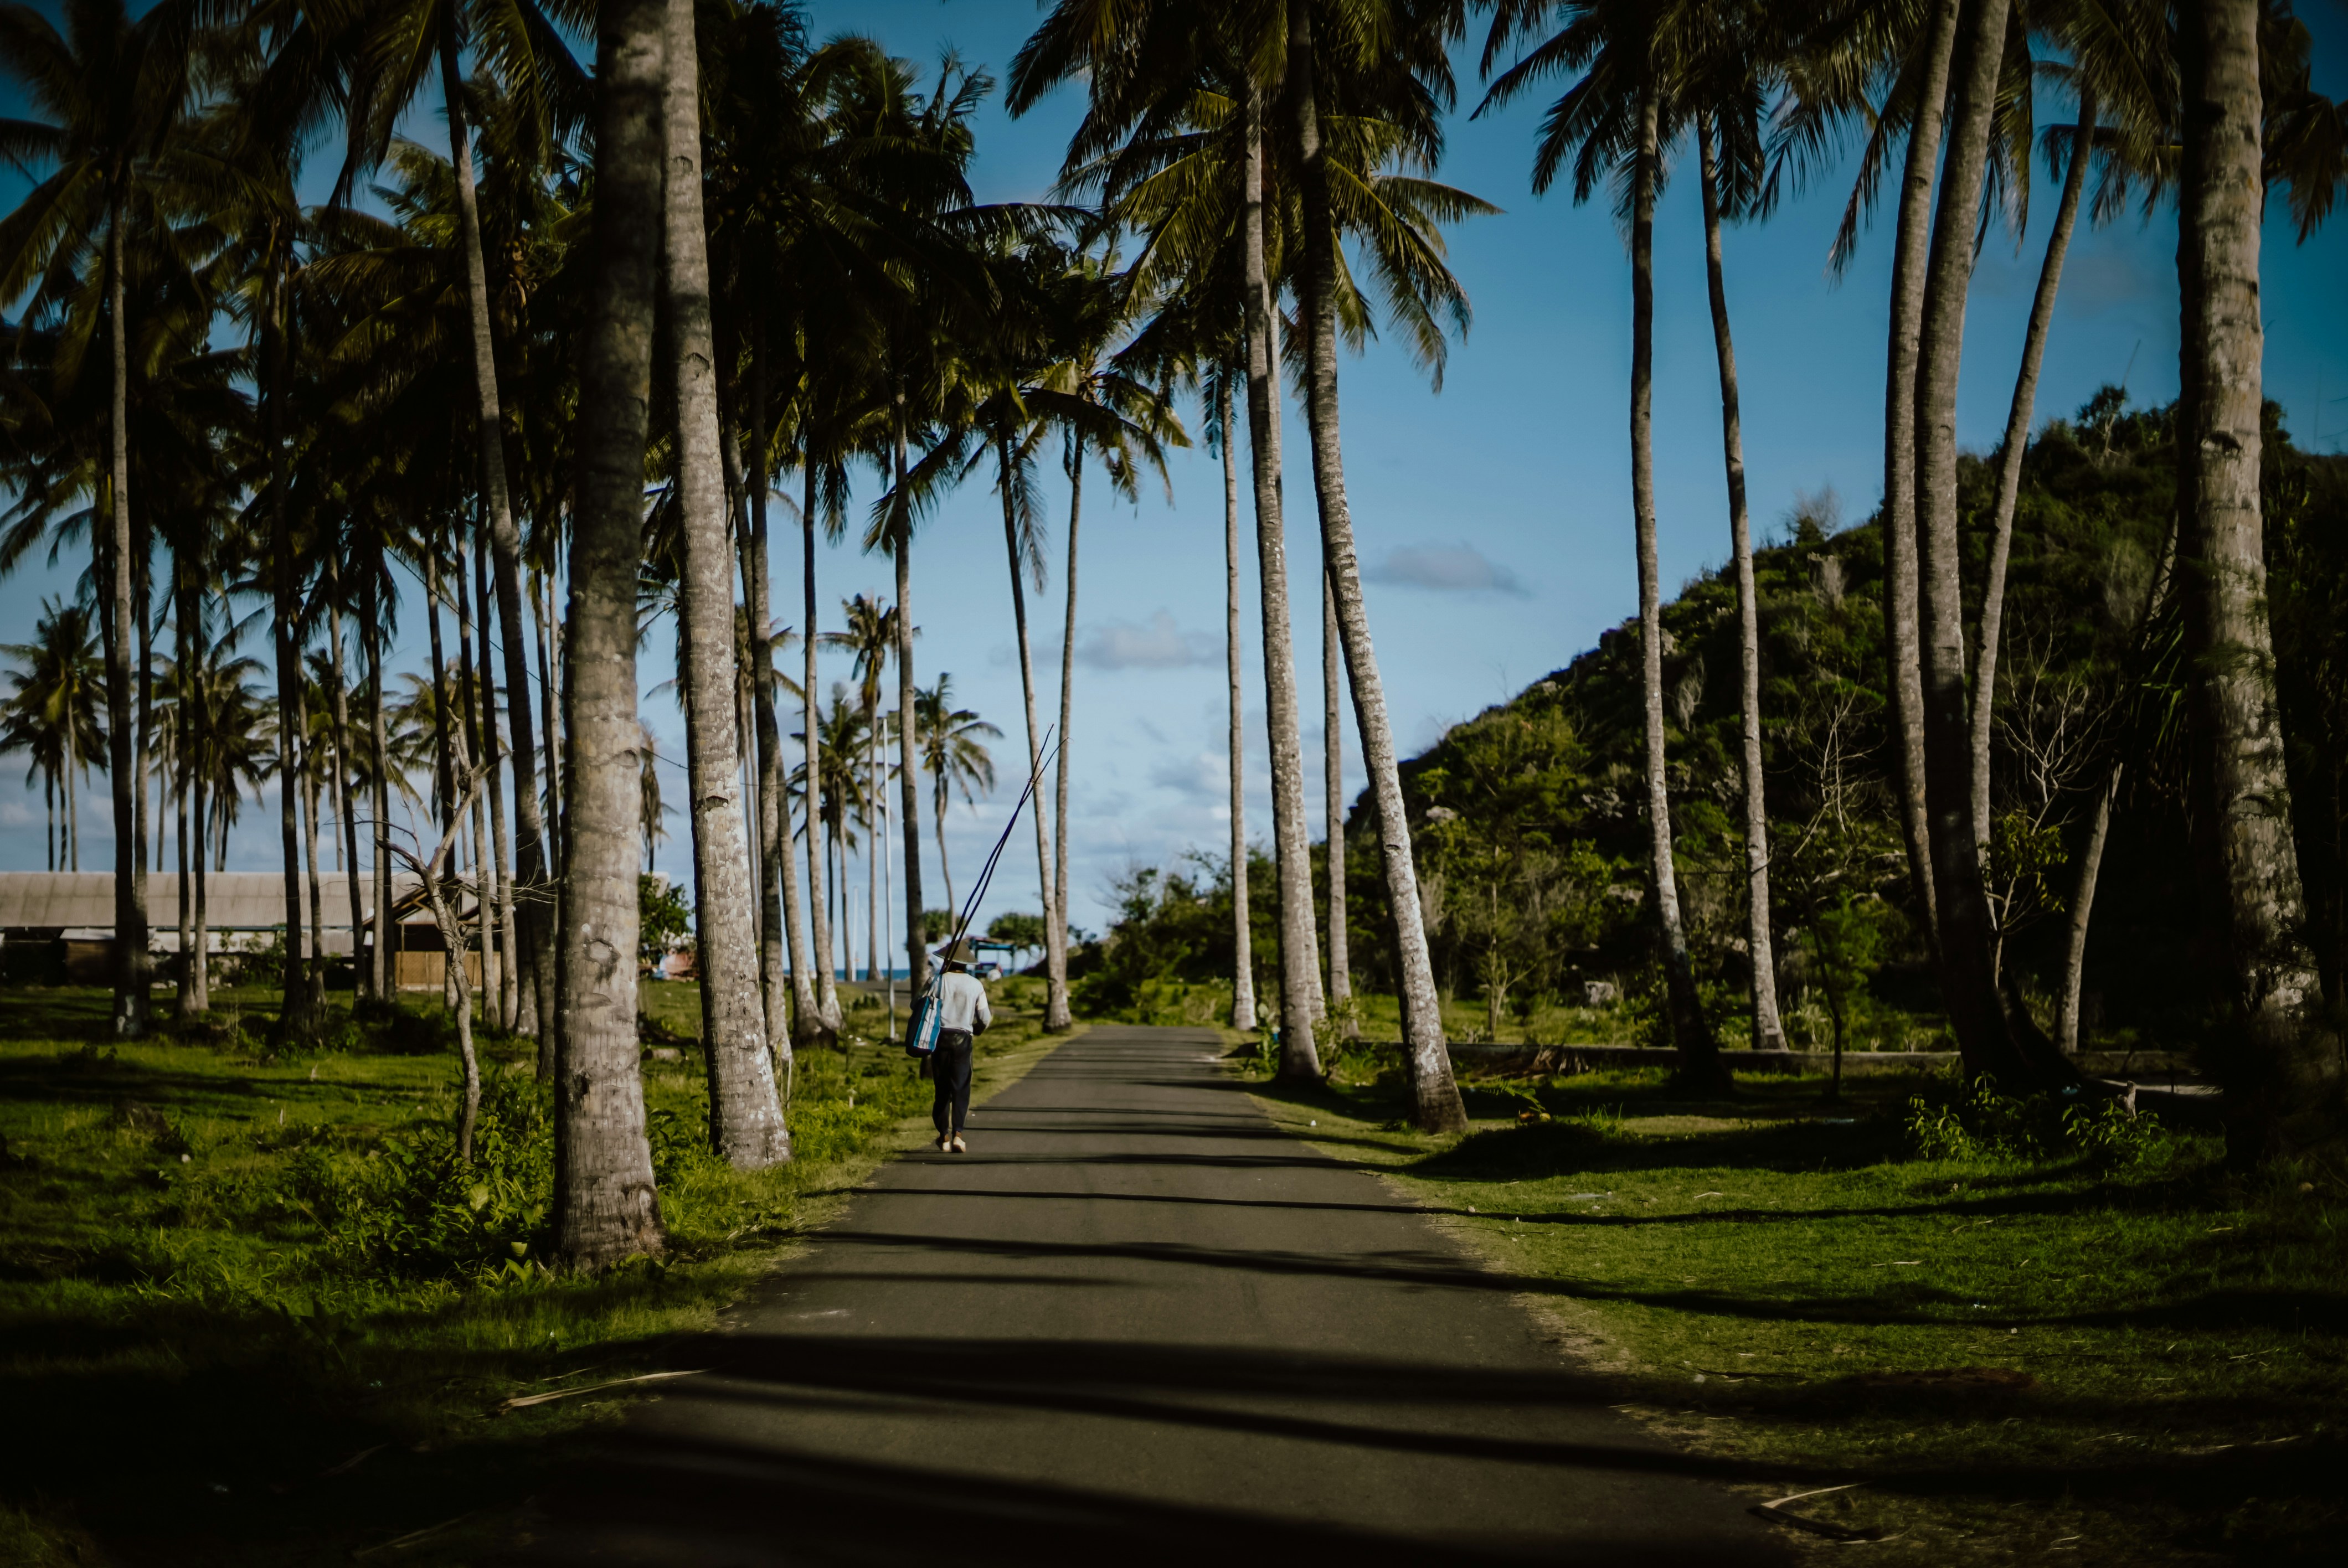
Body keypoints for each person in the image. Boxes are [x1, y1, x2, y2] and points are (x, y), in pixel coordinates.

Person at [929, 939, 991, 1152]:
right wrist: (977, 1030)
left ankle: (943, 1137)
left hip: (939, 1039)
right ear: (965, 964)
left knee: (942, 1090)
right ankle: (958, 1135)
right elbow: (985, 1018)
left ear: (947, 961)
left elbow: (916, 1005)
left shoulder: (937, 981)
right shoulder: (975, 985)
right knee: (961, 1089)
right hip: (963, 1038)